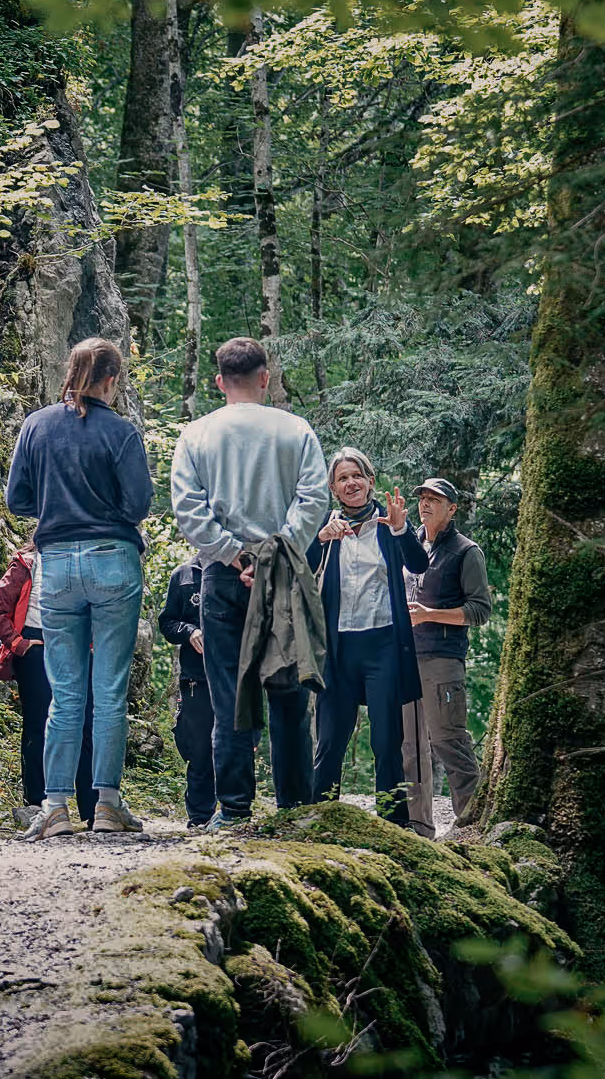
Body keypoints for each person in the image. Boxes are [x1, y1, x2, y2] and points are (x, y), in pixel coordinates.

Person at [169, 336, 330, 828]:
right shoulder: (296, 430)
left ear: (219, 382)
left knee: (229, 696)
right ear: (266, 378)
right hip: (281, 574)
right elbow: (314, 498)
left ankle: (234, 809)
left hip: (222, 577)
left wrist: (234, 553)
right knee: (288, 692)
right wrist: (274, 550)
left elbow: (188, 510)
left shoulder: (197, 435)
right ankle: (295, 810)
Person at [6, 337, 153, 841]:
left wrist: (59, 508)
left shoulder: (37, 425)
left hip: (58, 563)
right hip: (113, 559)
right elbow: (139, 503)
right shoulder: (121, 432)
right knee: (108, 690)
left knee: (64, 693)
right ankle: (107, 805)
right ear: (112, 379)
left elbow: (18, 498)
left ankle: (54, 807)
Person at [307, 448, 428, 826]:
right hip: (339, 648)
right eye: (343, 478)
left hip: (383, 646)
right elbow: (301, 568)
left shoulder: (388, 522)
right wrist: (321, 538)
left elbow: (418, 564)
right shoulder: (326, 526)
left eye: (357, 475)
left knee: (387, 742)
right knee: (329, 741)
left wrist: (400, 528)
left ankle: (394, 825)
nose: (351, 483)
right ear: (333, 488)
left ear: (370, 481)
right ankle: (319, 818)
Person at [401, 477, 493, 839]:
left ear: (451, 508)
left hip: (443, 659)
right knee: (410, 746)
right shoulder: (411, 547)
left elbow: (480, 610)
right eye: (422, 498)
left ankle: (473, 827)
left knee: (448, 741)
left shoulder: (466, 551)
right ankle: (418, 826)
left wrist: (429, 614)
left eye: (434, 499)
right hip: (406, 659)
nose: (425, 504)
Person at [0, 540, 97, 825]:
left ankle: (93, 809)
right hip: (36, 647)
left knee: (86, 724)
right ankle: (38, 804)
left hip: (76, 647)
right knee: (39, 724)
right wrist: (17, 643)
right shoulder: (27, 562)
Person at [153, 561, 215, 828]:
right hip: (196, 677)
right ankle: (200, 817)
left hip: (235, 674)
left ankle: (236, 810)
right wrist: (190, 631)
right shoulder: (184, 575)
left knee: (238, 743)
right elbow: (167, 622)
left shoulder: (242, 567)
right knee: (199, 748)